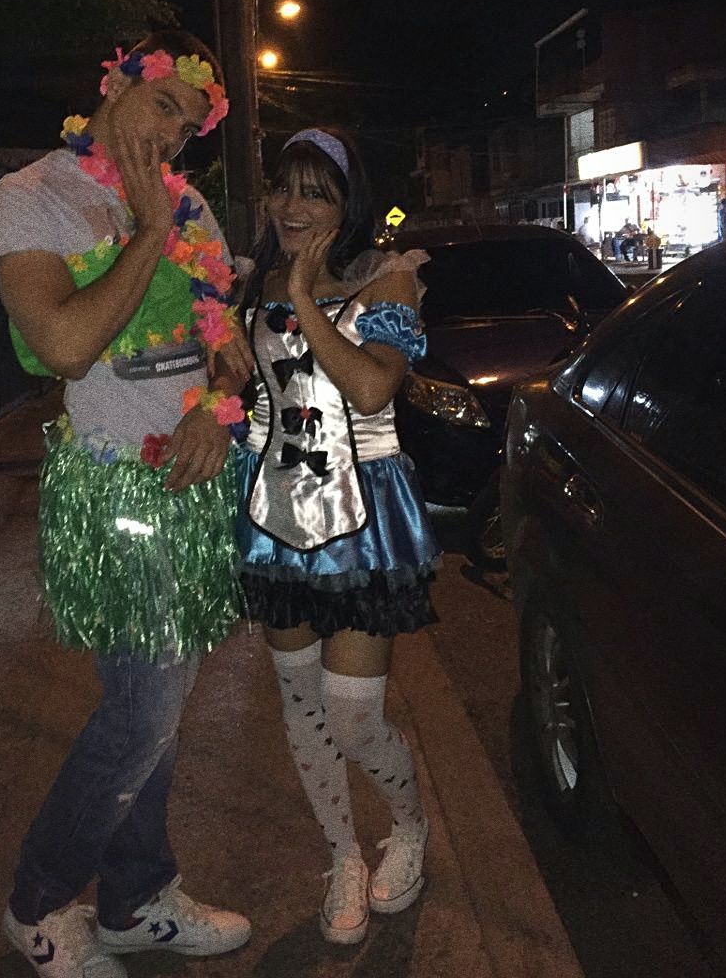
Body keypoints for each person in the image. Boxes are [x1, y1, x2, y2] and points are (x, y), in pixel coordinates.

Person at [0, 30, 253, 978]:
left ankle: (137, 898)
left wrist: (221, 407)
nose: (175, 135)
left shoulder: (192, 203)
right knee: (140, 715)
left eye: (191, 121)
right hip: (114, 486)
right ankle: (39, 900)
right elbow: (61, 342)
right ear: (118, 83)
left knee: (160, 709)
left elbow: (229, 331)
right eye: (165, 104)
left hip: (193, 481)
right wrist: (144, 229)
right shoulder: (28, 200)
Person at [234, 127, 440, 945]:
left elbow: (370, 385)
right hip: (274, 517)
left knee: (355, 718)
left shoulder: (390, 279)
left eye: (315, 192)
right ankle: (343, 857)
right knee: (300, 705)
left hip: (362, 521)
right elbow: (251, 395)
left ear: (347, 205)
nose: (293, 205)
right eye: (286, 187)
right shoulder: (253, 283)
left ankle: (411, 828)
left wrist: (307, 294)